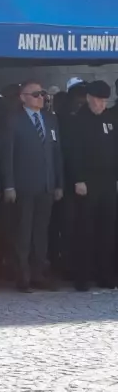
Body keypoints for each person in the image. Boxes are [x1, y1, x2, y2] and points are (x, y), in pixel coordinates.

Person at [0, 80, 64, 293]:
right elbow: (7, 156)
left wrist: (58, 183)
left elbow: (56, 153)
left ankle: (39, 274)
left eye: (42, 94)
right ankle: (23, 276)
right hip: (24, 186)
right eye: (35, 94)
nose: (41, 97)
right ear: (23, 97)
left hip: (46, 185)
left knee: (41, 233)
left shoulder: (50, 119)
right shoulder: (13, 121)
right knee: (23, 233)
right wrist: (9, 185)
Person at [69, 80, 118, 291]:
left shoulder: (110, 118)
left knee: (107, 230)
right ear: (89, 98)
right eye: (98, 99)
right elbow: (73, 152)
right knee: (85, 229)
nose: (101, 104)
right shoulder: (79, 120)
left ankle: (105, 275)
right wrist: (78, 179)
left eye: (105, 100)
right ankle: (82, 276)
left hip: (108, 181)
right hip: (87, 181)